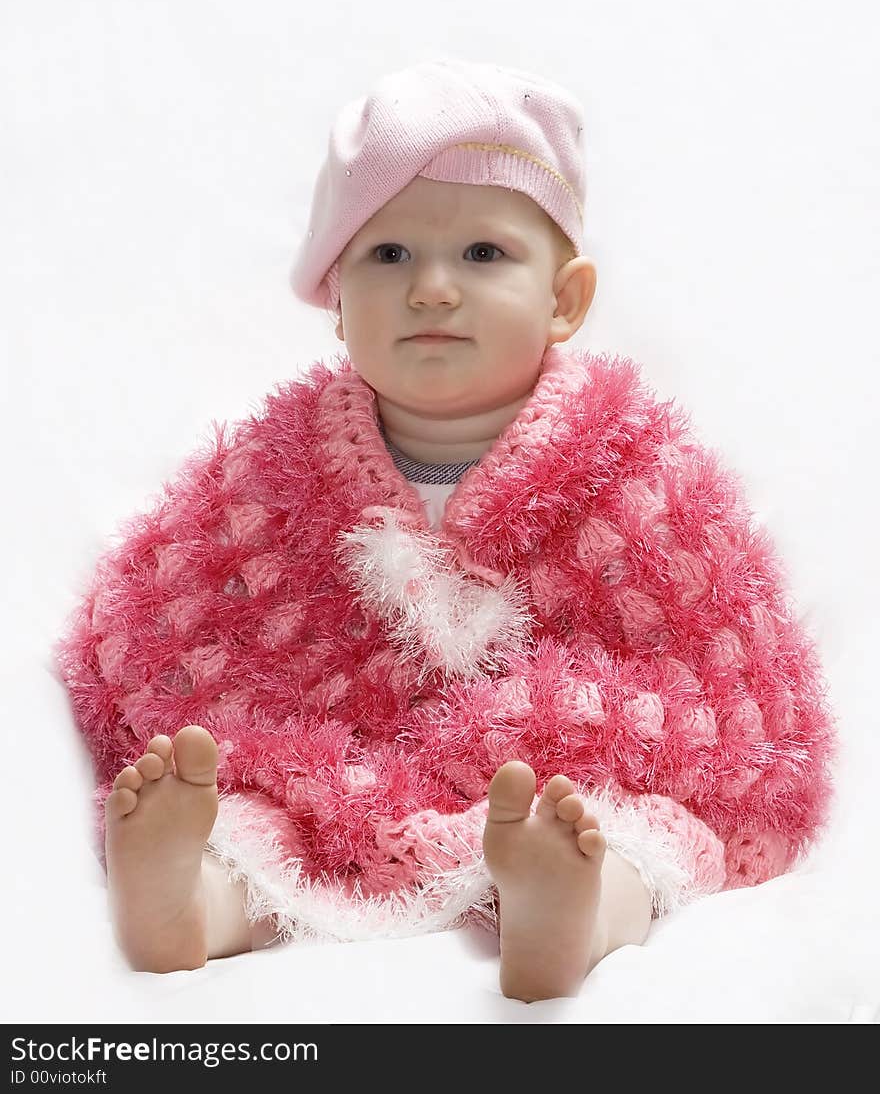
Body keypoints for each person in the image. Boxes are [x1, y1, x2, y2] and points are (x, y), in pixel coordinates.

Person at [54, 57, 838, 1004]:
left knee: (637, 834)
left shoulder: (629, 463)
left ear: (566, 300)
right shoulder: (275, 467)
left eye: (482, 255)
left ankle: (571, 910)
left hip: (549, 773)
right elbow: (181, 602)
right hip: (338, 768)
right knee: (254, 818)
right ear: (337, 303)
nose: (432, 288)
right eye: (388, 256)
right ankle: (194, 900)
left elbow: (707, 647)